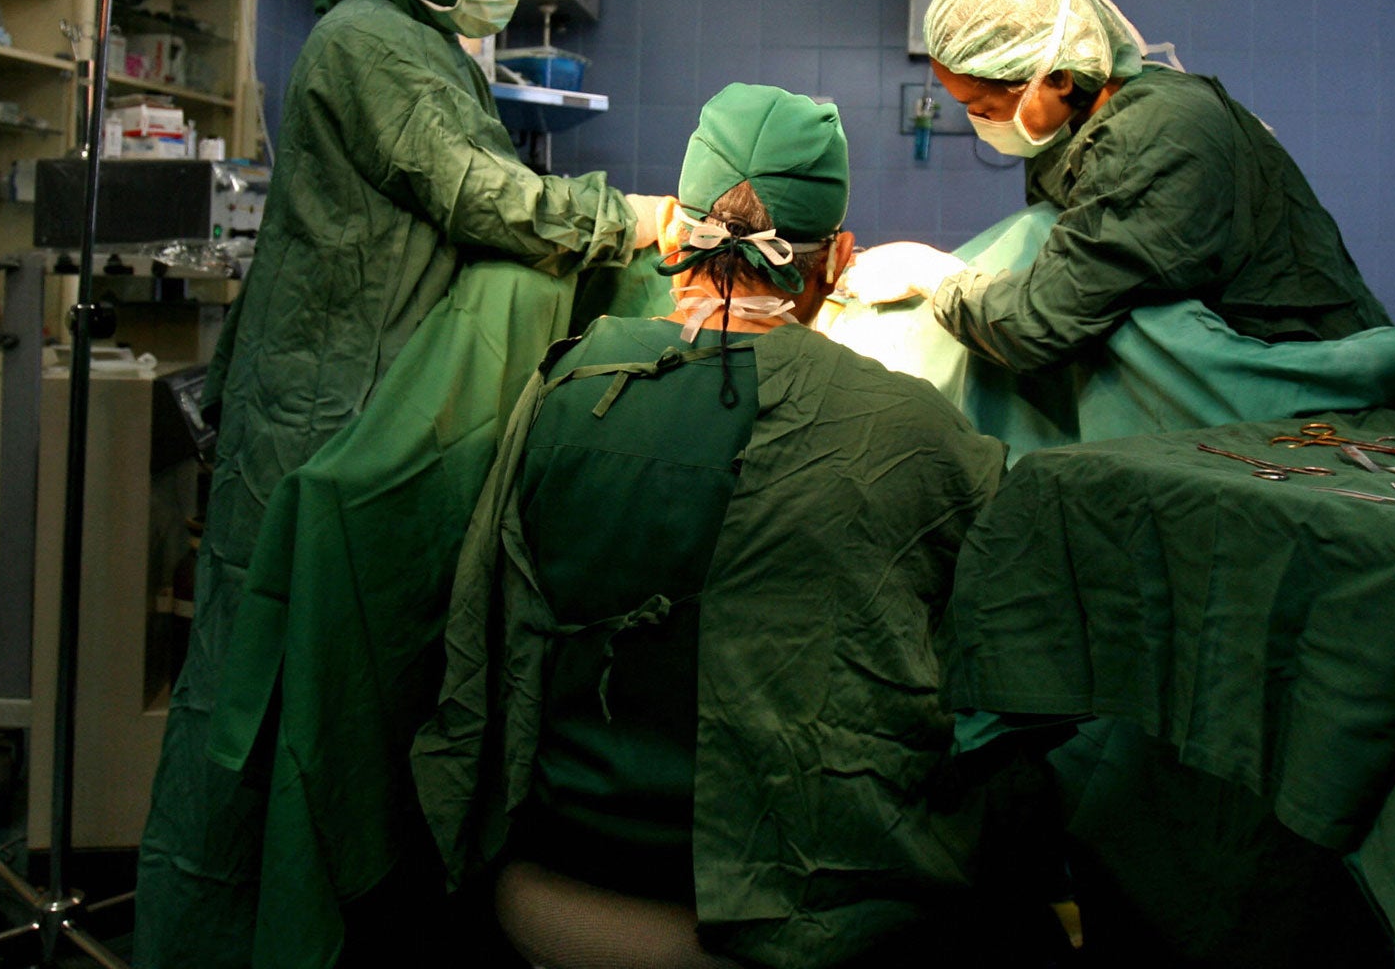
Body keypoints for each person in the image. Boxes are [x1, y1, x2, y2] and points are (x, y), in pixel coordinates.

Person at [136, 0, 666, 969]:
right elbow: (478, 193)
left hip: (378, 399)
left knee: (343, 700)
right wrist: (635, 221)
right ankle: (225, 938)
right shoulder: (365, 40)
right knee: (264, 695)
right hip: (320, 416)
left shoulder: (427, 44)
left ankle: (333, 920)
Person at [411, 84, 1056, 969]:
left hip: (557, 872)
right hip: (802, 910)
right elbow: (1018, 672)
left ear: (677, 237)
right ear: (838, 261)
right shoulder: (911, 430)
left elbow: (482, 645)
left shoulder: (569, 386)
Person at [905, 0, 1390, 372]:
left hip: (1301, 380)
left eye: (985, 108)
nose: (981, 122)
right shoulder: (1071, 130)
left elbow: (1043, 322)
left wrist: (932, 275)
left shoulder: (1159, 133)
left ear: (1059, 78)